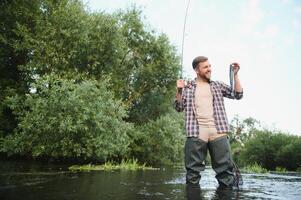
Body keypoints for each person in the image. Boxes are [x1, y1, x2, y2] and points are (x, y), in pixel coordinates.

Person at [175, 56, 243, 188]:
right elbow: (179, 107)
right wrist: (179, 90)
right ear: (196, 70)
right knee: (192, 175)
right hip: (196, 133)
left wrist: (235, 75)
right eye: (205, 67)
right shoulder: (187, 87)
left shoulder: (217, 85)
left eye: (209, 66)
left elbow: (238, 95)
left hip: (218, 132)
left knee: (226, 175)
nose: (209, 69)